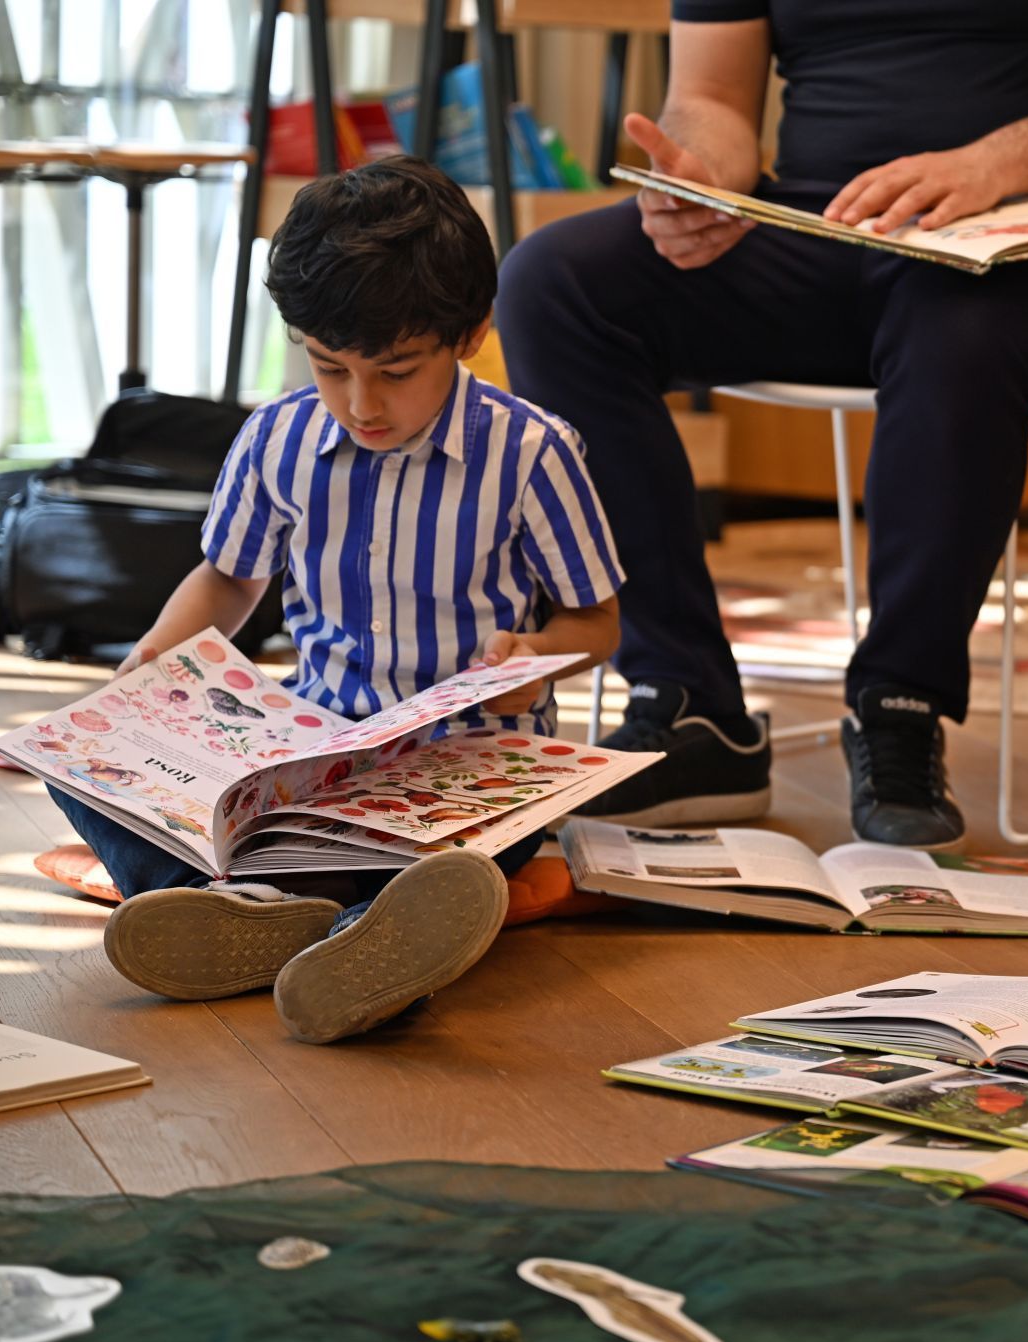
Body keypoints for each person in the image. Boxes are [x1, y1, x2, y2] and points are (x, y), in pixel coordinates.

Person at [496, 1, 1028, 850]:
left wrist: (993, 164)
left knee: (955, 319)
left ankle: (900, 707)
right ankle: (690, 709)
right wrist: (699, 175)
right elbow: (713, 94)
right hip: (824, 229)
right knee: (553, 284)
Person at [48, 157, 625, 1044]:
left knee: (459, 870)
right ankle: (294, 921)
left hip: (467, 777)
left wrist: (531, 663)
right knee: (81, 767)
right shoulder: (275, 438)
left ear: (468, 335)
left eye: (396, 371)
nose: (362, 403)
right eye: (329, 367)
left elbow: (597, 621)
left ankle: (318, 927)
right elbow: (232, 577)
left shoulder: (532, 454)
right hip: (313, 763)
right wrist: (152, 663)